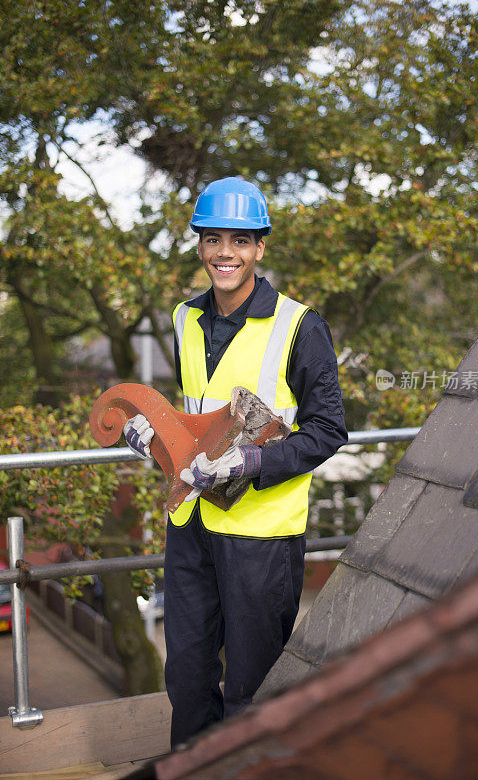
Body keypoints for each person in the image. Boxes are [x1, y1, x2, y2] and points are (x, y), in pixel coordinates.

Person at [124, 177, 347, 748]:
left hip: (260, 536)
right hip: (192, 525)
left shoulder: (301, 327)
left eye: (241, 241)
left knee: (252, 688)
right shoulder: (183, 320)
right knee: (189, 678)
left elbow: (327, 431)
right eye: (214, 239)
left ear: (260, 247)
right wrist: (154, 434)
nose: (227, 253)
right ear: (200, 245)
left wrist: (250, 463)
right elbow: (199, 419)